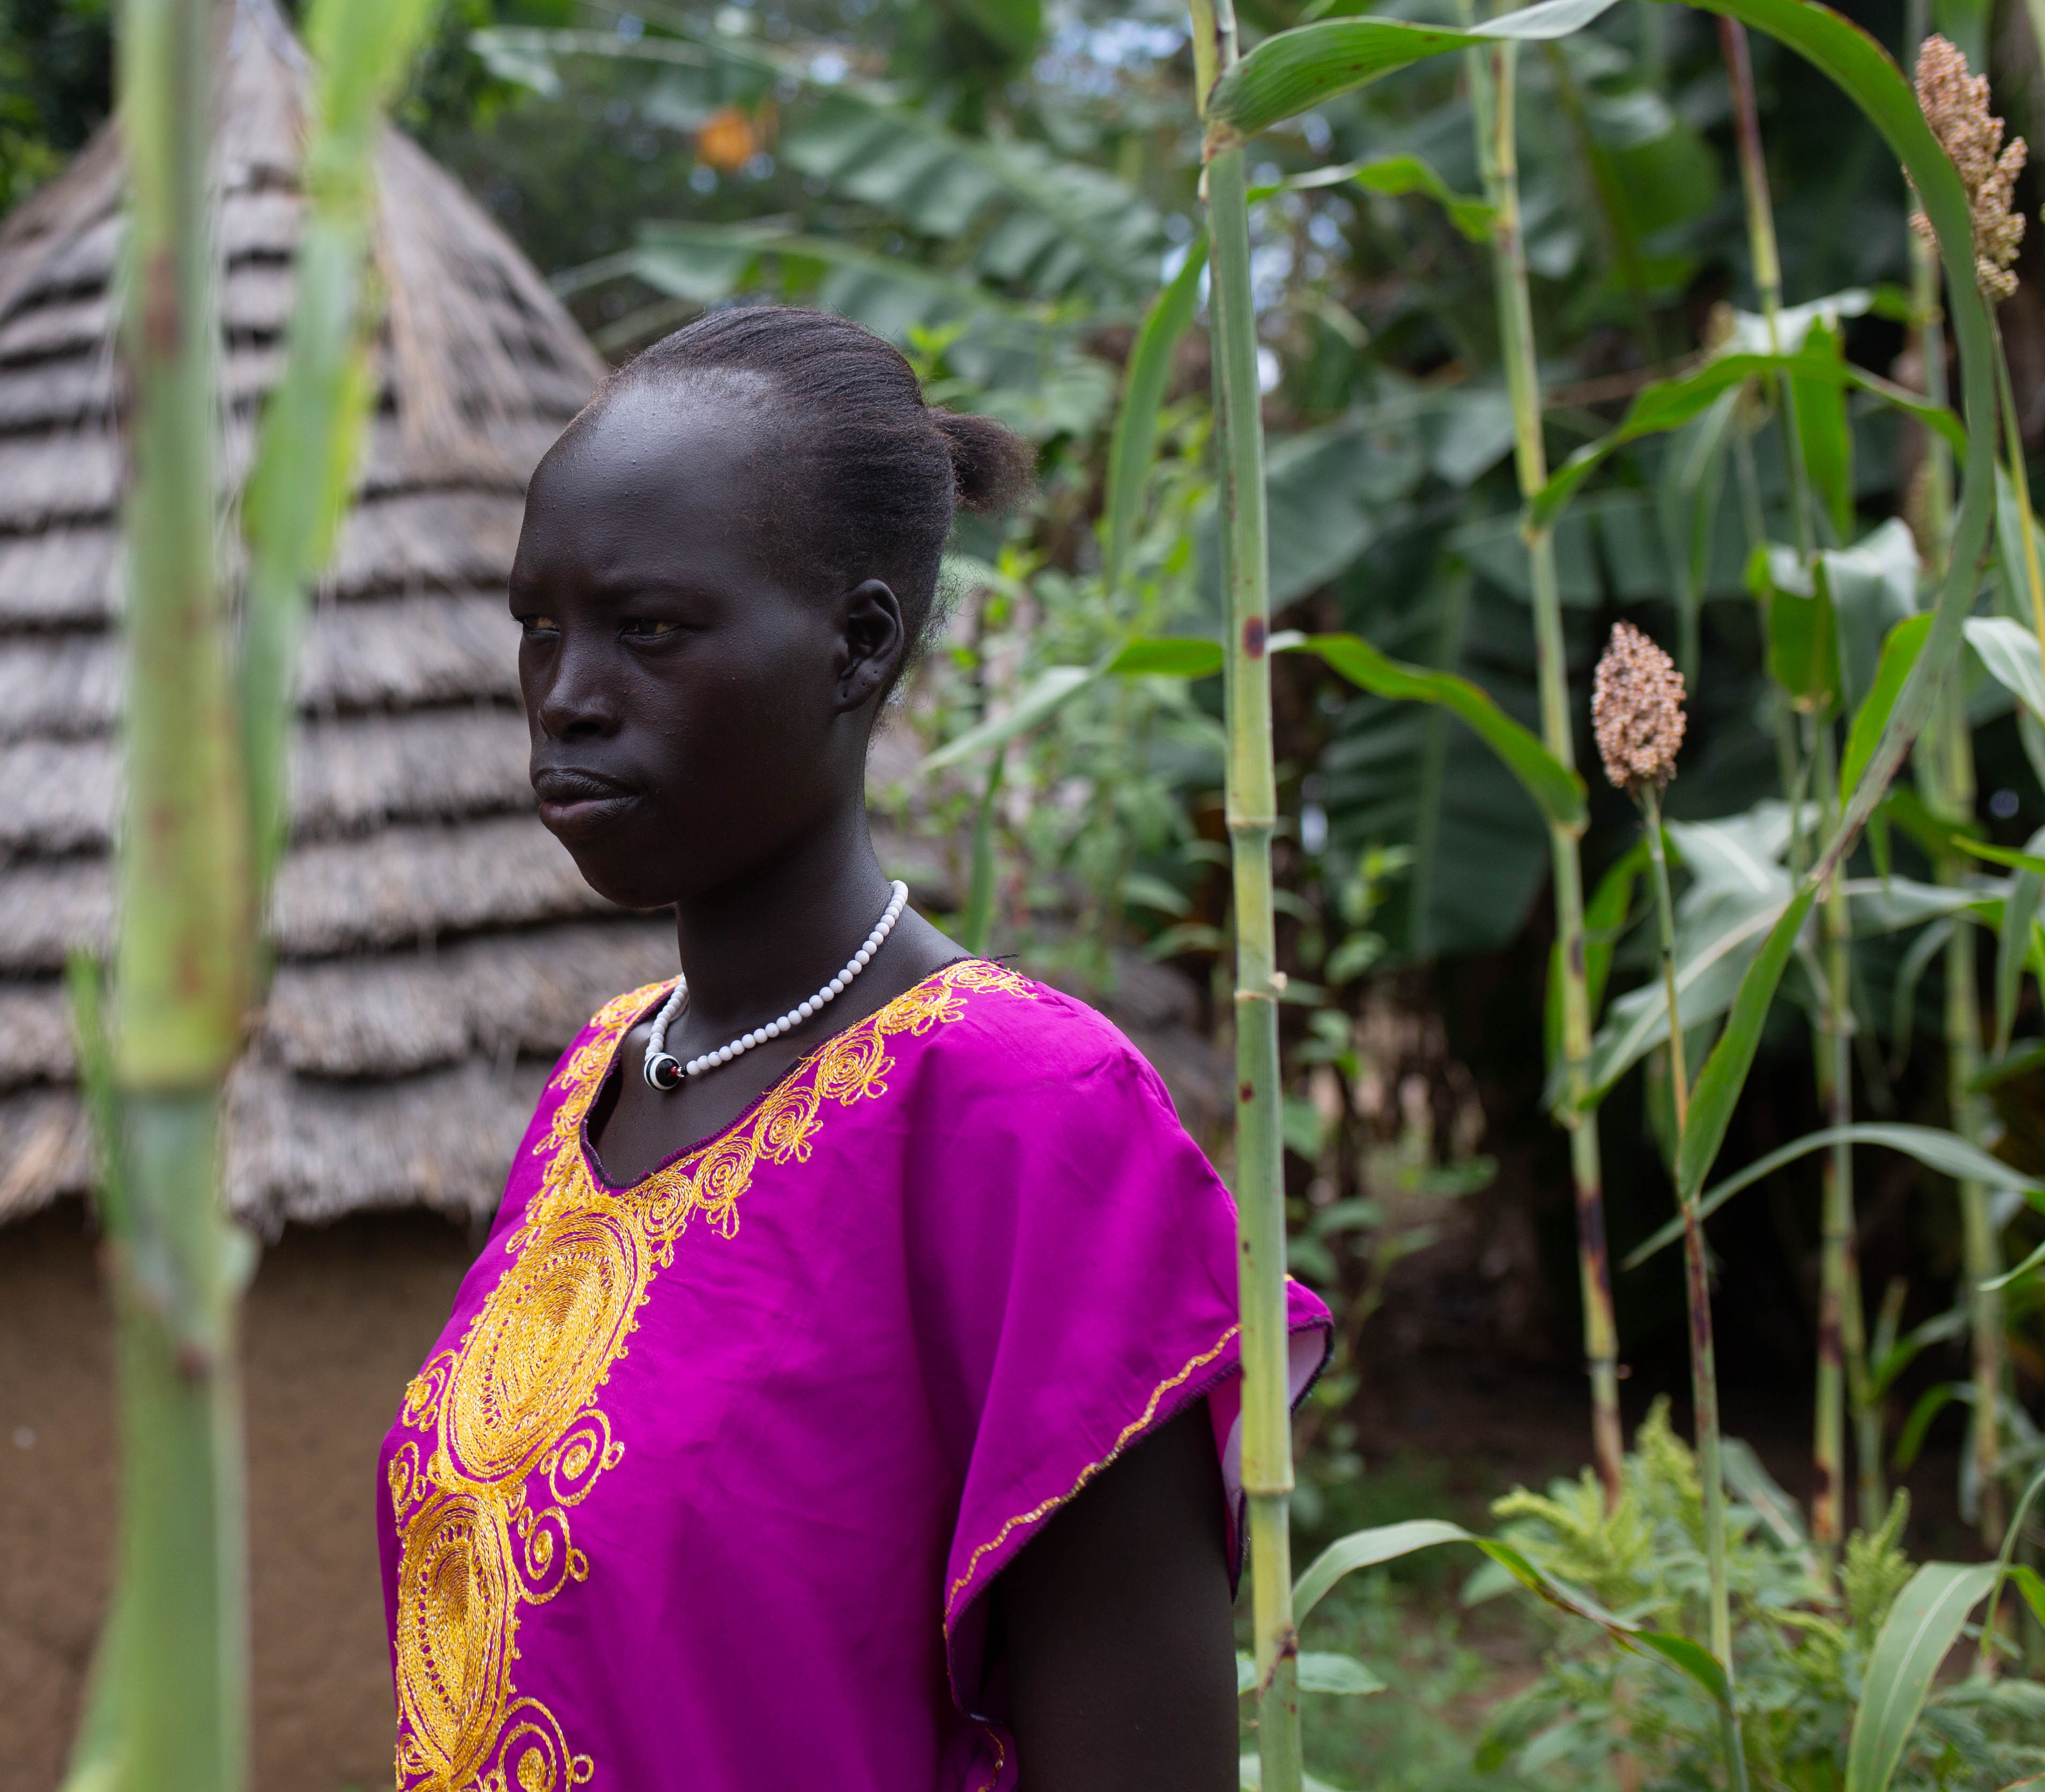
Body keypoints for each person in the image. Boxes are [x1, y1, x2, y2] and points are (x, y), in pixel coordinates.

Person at [376, 306, 1331, 1791]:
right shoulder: (603, 1079)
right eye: (538, 628)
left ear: (856, 642)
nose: (566, 695)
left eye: (648, 630)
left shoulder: (1022, 1113)